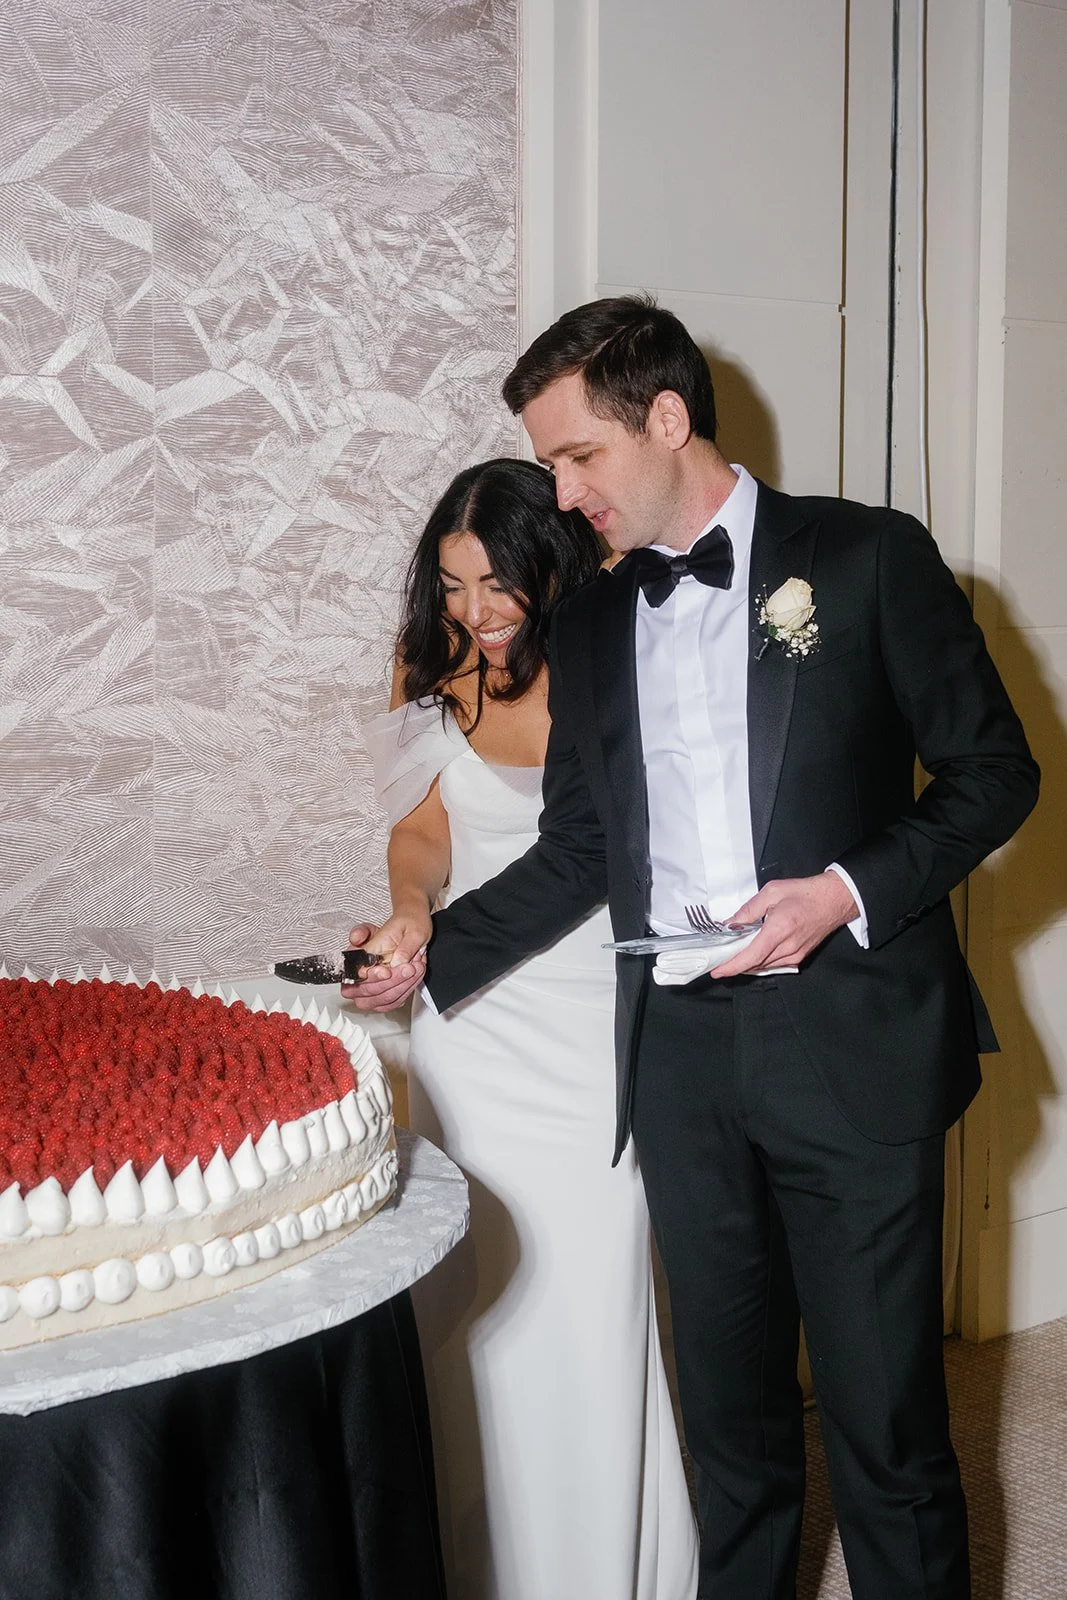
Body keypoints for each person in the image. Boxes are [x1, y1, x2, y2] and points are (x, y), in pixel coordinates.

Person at [350, 297, 1040, 1599]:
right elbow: (577, 851)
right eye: (545, 462)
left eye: (576, 459)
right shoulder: (597, 619)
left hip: (845, 1043)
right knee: (731, 1440)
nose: (558, 493)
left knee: (882, 1436)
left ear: (666, 420)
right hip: (673, 1060)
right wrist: (426, 946)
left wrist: (841, 887)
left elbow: (991, 775)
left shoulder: (865, 558)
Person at [348, 456, 699, 1600]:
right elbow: (423, 829)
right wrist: (410, 910)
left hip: (589, 1019)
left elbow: (607, 852)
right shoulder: (430, 657)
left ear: (550, 564)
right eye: (451, 586)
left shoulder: (614, 654)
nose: (475, 613)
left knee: (589, 1298)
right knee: (480, 1313)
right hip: (470, 1025)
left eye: (495, 584)